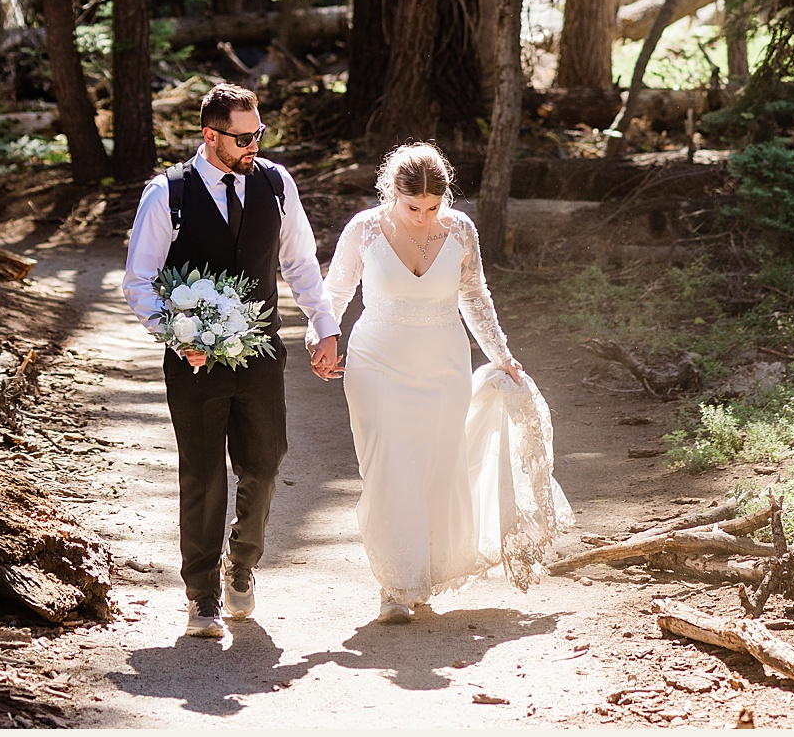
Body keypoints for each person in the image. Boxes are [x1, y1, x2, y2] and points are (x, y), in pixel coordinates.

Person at [121, 82, 342, 640]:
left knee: (265, 462)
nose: (253, 146)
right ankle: (202, 596)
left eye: (258, 134)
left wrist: (325, 327)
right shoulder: (166, 193)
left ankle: (242, 562)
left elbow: (300, 263)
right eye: (242, 138)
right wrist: (173, 332)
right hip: (194, 359)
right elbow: (139, 281)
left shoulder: (275, 183)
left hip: (262, 354)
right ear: (210, 135)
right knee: (202, 473)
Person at [320, 143, 572, 624]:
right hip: (377, 361)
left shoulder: (460, 231)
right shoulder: (365, 229)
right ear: (392, 193)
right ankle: (393, 586)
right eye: (413, 207)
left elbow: (475, 297)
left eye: (432, 207)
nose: (422, 217)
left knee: (436, 467)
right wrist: (323, 338)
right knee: (388, 467)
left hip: (443, 362)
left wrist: (502, 355)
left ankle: (422, 577)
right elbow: (336, 291)